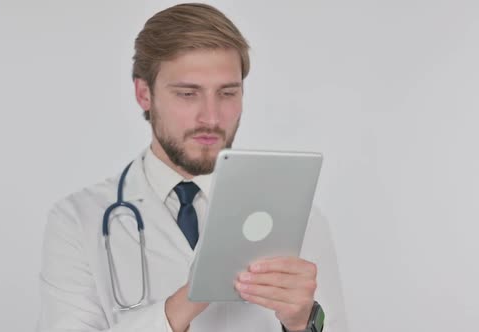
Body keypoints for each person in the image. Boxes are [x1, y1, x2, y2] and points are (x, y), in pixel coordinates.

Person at [38, 3, 348, 332]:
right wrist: (187, 302)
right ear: (144, 94)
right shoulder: (77, 221)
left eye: (227, 93)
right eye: (188, 94)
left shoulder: (299, 220)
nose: (211, 118)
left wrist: (302, 323)